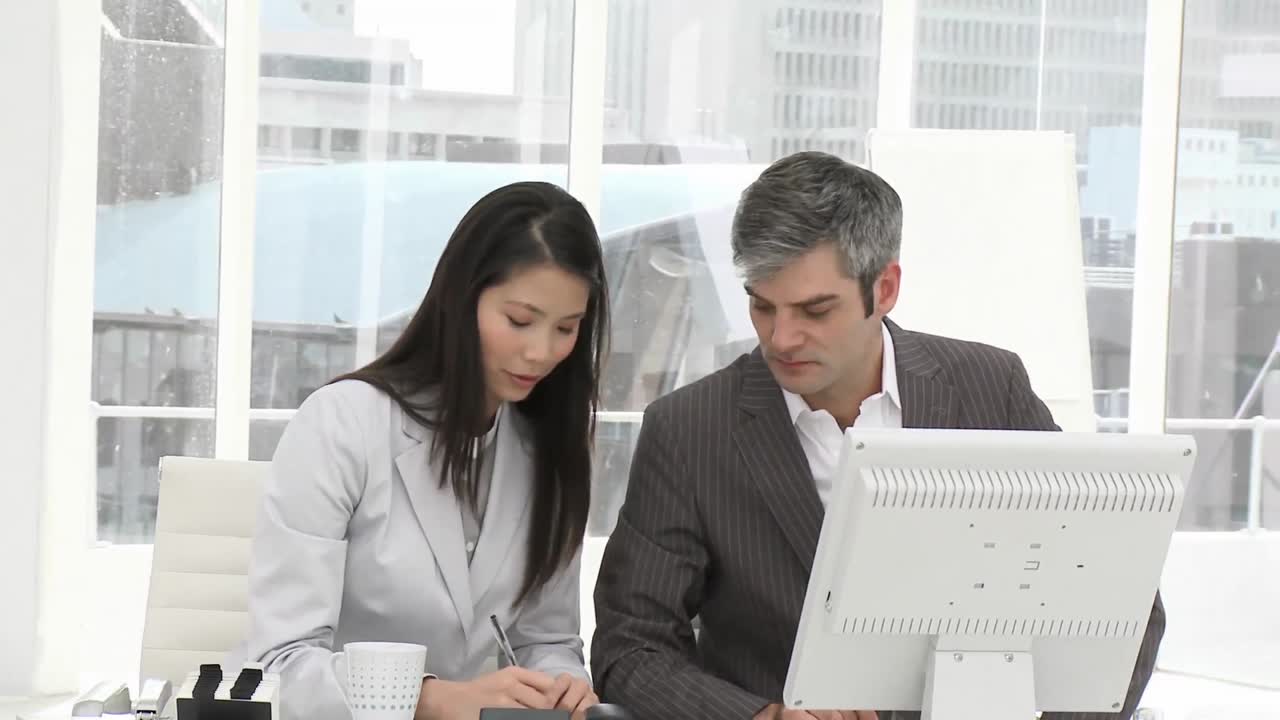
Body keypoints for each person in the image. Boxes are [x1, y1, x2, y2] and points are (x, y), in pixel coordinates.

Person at [590, 152, 1164, 720]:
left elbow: (1126, 606)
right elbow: (630, 649)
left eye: (815, 310)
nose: (781, 338)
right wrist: (761, 718)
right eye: (762, 306)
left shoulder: (992, 388)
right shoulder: (690, 429)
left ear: (884, 287)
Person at [237, 182, 609, 720]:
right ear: (463, 300)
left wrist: (563, 686)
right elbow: (280, 661)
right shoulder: (344, 423)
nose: (540, 352)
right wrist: (428, 699)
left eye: (567, 328)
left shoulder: (547, 451)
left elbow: (544, 639)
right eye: (520, 321)